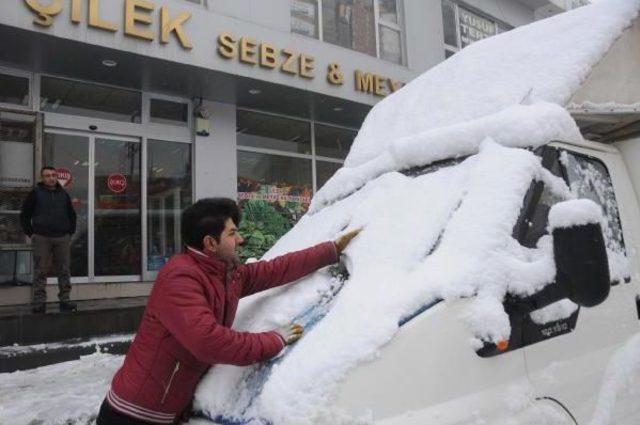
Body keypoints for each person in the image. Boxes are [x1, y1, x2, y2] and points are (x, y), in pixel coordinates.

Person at [96, 198, 361, 425]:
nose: (241, 239)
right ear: (211, 243)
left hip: (167, 410)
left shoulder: (225, 274)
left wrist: (330, 250)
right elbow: (208, 341)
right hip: (132, 415)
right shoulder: (180, 278)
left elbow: (273, 270)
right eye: (232, 234)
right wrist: (274, 339)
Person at [20, 166, 77, 314]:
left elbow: (72, 215)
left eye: (53, 175)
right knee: (40, 270)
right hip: (42, 238)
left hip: (62, 238)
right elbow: (24, 215)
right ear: (42, 178)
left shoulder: (64, 194)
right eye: (47, 175)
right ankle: (39, 302)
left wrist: (70, 232)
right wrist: (31, 233)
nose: (51, 178)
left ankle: (65, 299)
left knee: (64, 270)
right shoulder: (35, 193)